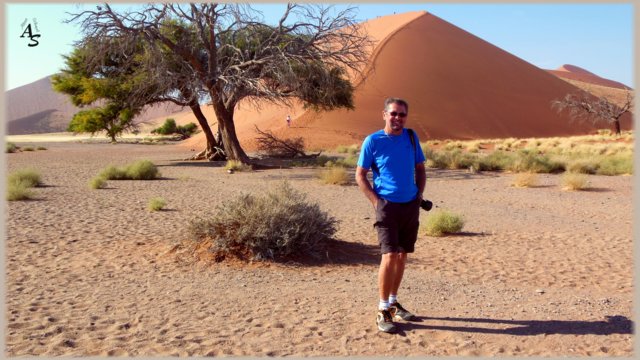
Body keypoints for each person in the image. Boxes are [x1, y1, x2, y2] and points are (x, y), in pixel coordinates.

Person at [355, 97, 426, 333]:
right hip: (387, 206)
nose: (398, 118)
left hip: (410, 206)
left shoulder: (411, 137)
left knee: (402, 255)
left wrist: (418, 195)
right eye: (393, 113)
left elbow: (420, 169)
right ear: (384, 114)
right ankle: (383, 309)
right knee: (389, 256)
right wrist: (377, 202)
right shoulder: (373, 141)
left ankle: (394, 302)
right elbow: (360, 175)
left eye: (402, 114)